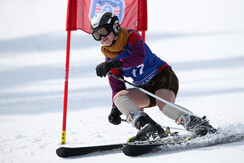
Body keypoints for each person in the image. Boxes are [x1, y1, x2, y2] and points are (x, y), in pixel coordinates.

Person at [90, 12, 216, 142]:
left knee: (164, 106)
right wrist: (115, 110)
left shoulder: (130, 36)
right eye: (96, 35)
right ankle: (150, 128)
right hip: (144, 88)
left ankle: (200, 125)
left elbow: (139, 57)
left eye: (103, 31)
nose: (101, 37)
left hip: (162, 76)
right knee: (119, 98)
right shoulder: (110, 55)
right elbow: (117, 86)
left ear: (115, 27)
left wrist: (114, 63)